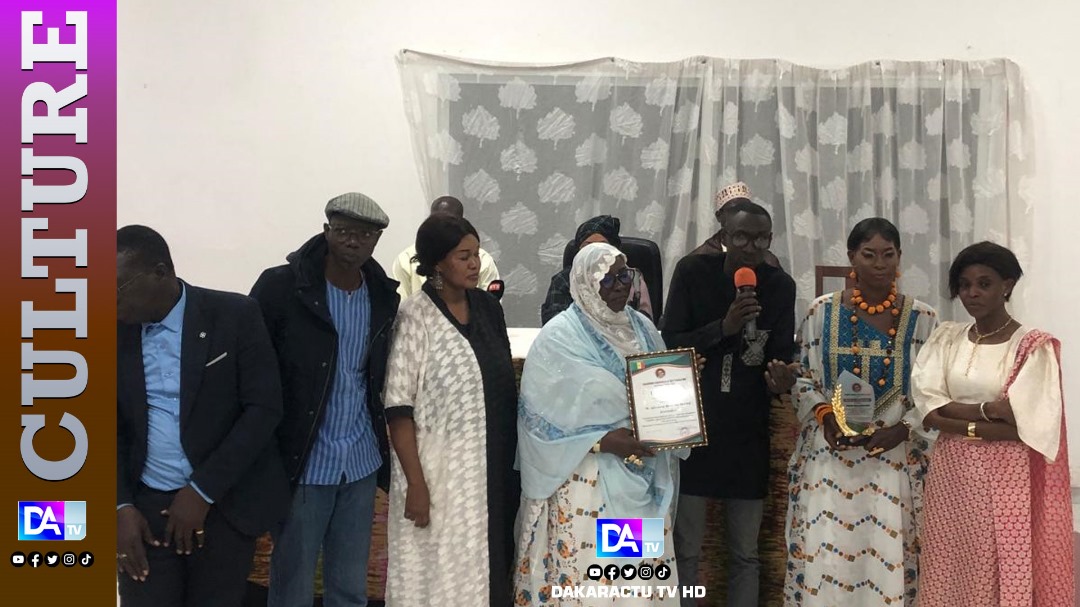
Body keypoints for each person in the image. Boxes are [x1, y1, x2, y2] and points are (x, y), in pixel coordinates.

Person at [116, 225, 289, 607]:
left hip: (222, 505)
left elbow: (263, 409)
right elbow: (107, 428)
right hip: (145, 512)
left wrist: (202, 490)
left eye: (118, 288)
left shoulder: (234, 315)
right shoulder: (114, 333)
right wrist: (120, 506)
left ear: (160, 272)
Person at [249, 192, 399, 607]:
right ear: (326, 230)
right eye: (345, 231)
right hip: (304, 461)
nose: (354, 241)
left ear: (376, 240)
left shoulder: (383, 295)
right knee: (293, 583)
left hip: (361, 461)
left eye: (365, 235)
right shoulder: (281, 287)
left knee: (350, 585)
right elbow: (253, 370)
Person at [515, 242, 686, 606]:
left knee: (635, 582)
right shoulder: (560, 337)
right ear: (585, 283)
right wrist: (604, 441)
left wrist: (681, 389)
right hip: (586, 479)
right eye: (607, 279)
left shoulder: (643, 328)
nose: (620, 285)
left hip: (640, 477)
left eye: (625, 276)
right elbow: (537, 422)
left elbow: (658, 395)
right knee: (592, 581)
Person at [784, 218, 938, 606]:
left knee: (886, 562)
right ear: (852, 256)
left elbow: (934, 391)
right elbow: (802, 377)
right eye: (869, 254)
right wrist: (825, 417)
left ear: (900, 257)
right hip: (829, 459)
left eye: (888, 254)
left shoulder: (924, 319)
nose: (879, 264)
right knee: (827, 558)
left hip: (893, 463)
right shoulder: (821, 311)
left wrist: (902, 430)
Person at [911, 241, 1075, 607]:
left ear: (1007, 285)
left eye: (984, 284)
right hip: (950, 472)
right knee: (948, 562)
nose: (972, 293)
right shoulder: (947, 338)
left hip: (1006, 475)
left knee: (997, 564)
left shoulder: (1031, 347)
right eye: (964, 285)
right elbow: (929, 408)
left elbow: (1028, 426)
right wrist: (988, 411)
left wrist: (954, 417)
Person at [661, 198, 796, 607]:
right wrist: (725, 326)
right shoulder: (692, 272)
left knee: (745, 553)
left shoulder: (780, 286)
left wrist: (781, 378)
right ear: (723, 236)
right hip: (694, 430)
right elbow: (670, 342)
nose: (752, 247)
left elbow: (781, 356)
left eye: (762, 239)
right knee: (687, 548)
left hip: (747, 434)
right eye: (741, 237)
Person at [382, 213, 519, 607]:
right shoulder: (415, 317)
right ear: (438, 262)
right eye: (463, 256)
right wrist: (416, 485)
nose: (475, 264)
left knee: (490, 567)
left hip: (491, 469)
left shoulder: (489, 308)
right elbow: (398, 408)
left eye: (476, 254)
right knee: (441, 570)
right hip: (438, 474)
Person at [540, 215, 653, 325]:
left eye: (601, 246)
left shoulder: (631, 277)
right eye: (587, 247)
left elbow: (644, 323)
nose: (594, 252)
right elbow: (554, 322)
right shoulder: (564, 279)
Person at [391, 195, 499, 298]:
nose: (473, 264)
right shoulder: (405, 260)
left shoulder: (484, 260)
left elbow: (493, 302)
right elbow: (400, 304)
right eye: (463, 258)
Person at [691, 181, 780, 269]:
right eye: (734, 211)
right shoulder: (699, 259)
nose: (741, 216)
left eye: (746, 211)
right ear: (719, 216)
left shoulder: (769, 261)